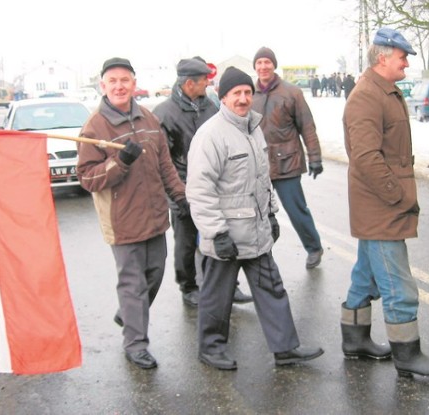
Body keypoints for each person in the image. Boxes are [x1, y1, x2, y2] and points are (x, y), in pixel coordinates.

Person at [186, 66, 324, 370]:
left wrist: (272, 215)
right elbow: (199, 189)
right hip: (227, 236)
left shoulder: (253, 129)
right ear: (223, 97)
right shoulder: (210, 135)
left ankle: (285, 348)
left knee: (272, 288)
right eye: (236, 93)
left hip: (256, 231)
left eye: (247, 92)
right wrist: (216, 233)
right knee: (216, 298)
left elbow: (263, 179)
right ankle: (210, 349)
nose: (243, 98)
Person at [341, 28, 429, 378]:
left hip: (379, 206)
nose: (406, 61)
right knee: (398, 284)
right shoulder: (367, 96)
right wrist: (397, 197)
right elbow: (366, 157)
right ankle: (408, 355)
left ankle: (355, 340)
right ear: (383, 56)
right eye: (402, 55)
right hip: (381, 206)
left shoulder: (381, 91)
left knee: (366, 277)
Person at [76, 57, 188, 370]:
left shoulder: (149, 119)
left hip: (154, 217)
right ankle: (135, 343)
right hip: (122, 221)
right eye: (113, 81)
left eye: (125, 80)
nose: (119, 86)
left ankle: (129, 313)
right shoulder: (94, 127)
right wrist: (119, 162)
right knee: (133, 284)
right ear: (103, 86)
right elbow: (87, 177)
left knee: (154, 275)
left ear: (134, 84)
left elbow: (165, 163)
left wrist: (179, 195)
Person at [152, 58, 252, 307]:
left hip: (217, 186)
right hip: (183, 190)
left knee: (221, 236)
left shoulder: (212, 106)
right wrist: (176, 197)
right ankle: (188, 287)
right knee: (186, 243)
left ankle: (230, 286)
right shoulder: (164, 113)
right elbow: (161, 160)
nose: (208, 84)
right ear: (189, 84)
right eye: (203, 80)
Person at [251, 47, 325, 269]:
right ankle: (260, 256)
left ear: (274, 65)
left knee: (296, 210)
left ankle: (314, 248)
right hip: (258, 164)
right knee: (257, 213)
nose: (263, 66)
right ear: (255, 67)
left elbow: (307, 127)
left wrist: (315, 158)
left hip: (287, 162)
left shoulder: (292, 93)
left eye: (267, 62)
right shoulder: (248, 93)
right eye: (259, 63)